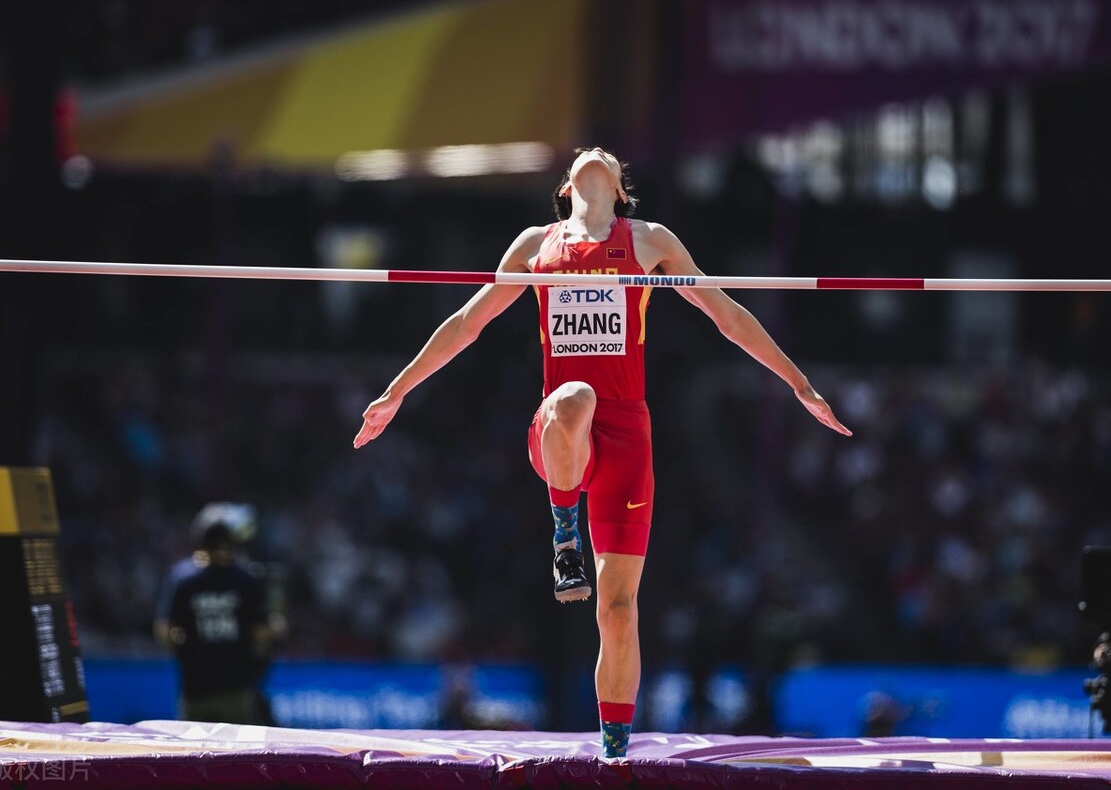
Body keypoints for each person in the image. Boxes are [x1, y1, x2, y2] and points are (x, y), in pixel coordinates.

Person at [353, 147, 851, 757]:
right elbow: (465, 322)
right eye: (587, 157)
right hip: (561, 433)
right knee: (575, 396)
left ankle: (614, 748)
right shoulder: (537, 243)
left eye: (609, 159)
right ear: (567, 187)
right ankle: (565, 528)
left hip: (627, 439)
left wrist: (798, 383)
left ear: (620, 189)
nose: (596, 153)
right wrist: (394, 392)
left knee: (617, 611)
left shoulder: (648, 240)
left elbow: (726, 314)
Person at [154, 503, 277, 725]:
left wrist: (183, 645)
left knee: (195, 753)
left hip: (195, 687)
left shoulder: (182, 578)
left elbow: (164, 631)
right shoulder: (245, 580)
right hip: (236, 689)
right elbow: (261, 635)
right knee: (238, 753)